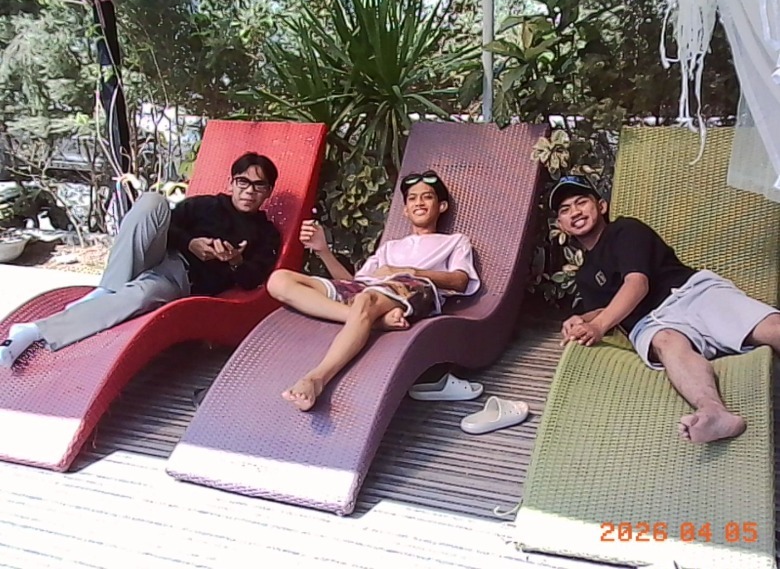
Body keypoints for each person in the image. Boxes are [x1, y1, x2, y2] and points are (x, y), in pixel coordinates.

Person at [552, 174, 780, 444]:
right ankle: (714, 413)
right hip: (653, 324)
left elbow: (637, 284)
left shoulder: (625, 231)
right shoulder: (584, 275)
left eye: (581, 202)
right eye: (565, 210)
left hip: (689, 293)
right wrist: (582, 318)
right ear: (561, 225)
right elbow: (604, 309)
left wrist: (598, 326)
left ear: (601, 206)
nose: (575, 212)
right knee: (666, 343)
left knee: (769, 329)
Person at [0, 152, 281, 367]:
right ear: (231, 182)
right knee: (152, 201)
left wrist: (234, 261)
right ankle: (107, 290)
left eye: (259, 185)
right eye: (243, 182)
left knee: (140, 297)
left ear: (268, 191)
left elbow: (252, 280)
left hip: (180, 278)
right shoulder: (204, 205)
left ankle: (34, 331)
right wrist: (191, 243)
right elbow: (167, 226)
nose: (249, 191)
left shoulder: (266, 233)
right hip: (155, 253)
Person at [266, 170, 481, 412]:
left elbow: (460, 280)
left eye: (427, 197)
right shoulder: (390, 247)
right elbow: (354, 284)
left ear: (441, 206)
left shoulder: (454, 241)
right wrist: (323, 251)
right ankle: (374, 321)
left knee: (365, 301)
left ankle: (317, 378)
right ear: (405, 210)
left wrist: (408, 270)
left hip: (416, 287)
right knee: (279, 280)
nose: (419, 202)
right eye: (412, 198)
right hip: (370, 293)